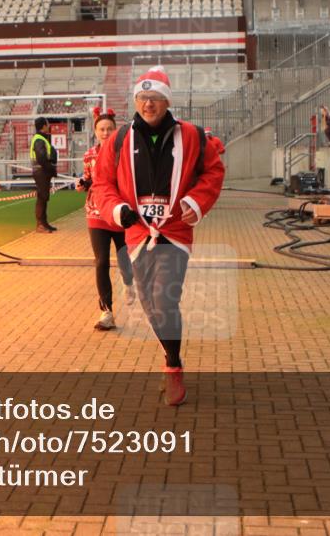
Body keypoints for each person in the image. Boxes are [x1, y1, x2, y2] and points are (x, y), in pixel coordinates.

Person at [93, 66, 225, 406]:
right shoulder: (120, 139)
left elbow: (213, 170)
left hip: (174, 232)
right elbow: (103, 182)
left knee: (164, 299)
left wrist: (196, 201)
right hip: (137, 233)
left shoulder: (192, 135)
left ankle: (173, 366)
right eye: (142, 97)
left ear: (166, 101)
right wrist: (116, 209)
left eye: (154, 98)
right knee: (150, 303)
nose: (147, 104)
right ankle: (172, 357)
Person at [77, 107, 135, 331]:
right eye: (101, 129)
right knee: (101, 262)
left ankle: (129, 283)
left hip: (118, 213)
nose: (105, 132)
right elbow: (91, 179)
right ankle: (106, 312)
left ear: (116, 131)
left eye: (109, 129)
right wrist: (83, 183)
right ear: (95, 131)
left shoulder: (125, 153)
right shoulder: (90, 154)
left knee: (124, 261)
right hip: (95, 212)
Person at [30, 116, 58, 233]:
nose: (49, 126)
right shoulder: (39, 140)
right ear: (43, 126)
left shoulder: (41, 139)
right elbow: (41, 158)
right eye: (47, 124)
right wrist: (51, 168)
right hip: (41, 171)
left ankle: (44, 223)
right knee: (42, 198)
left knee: (44, 197)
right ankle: (40, 224)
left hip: (42, 171)